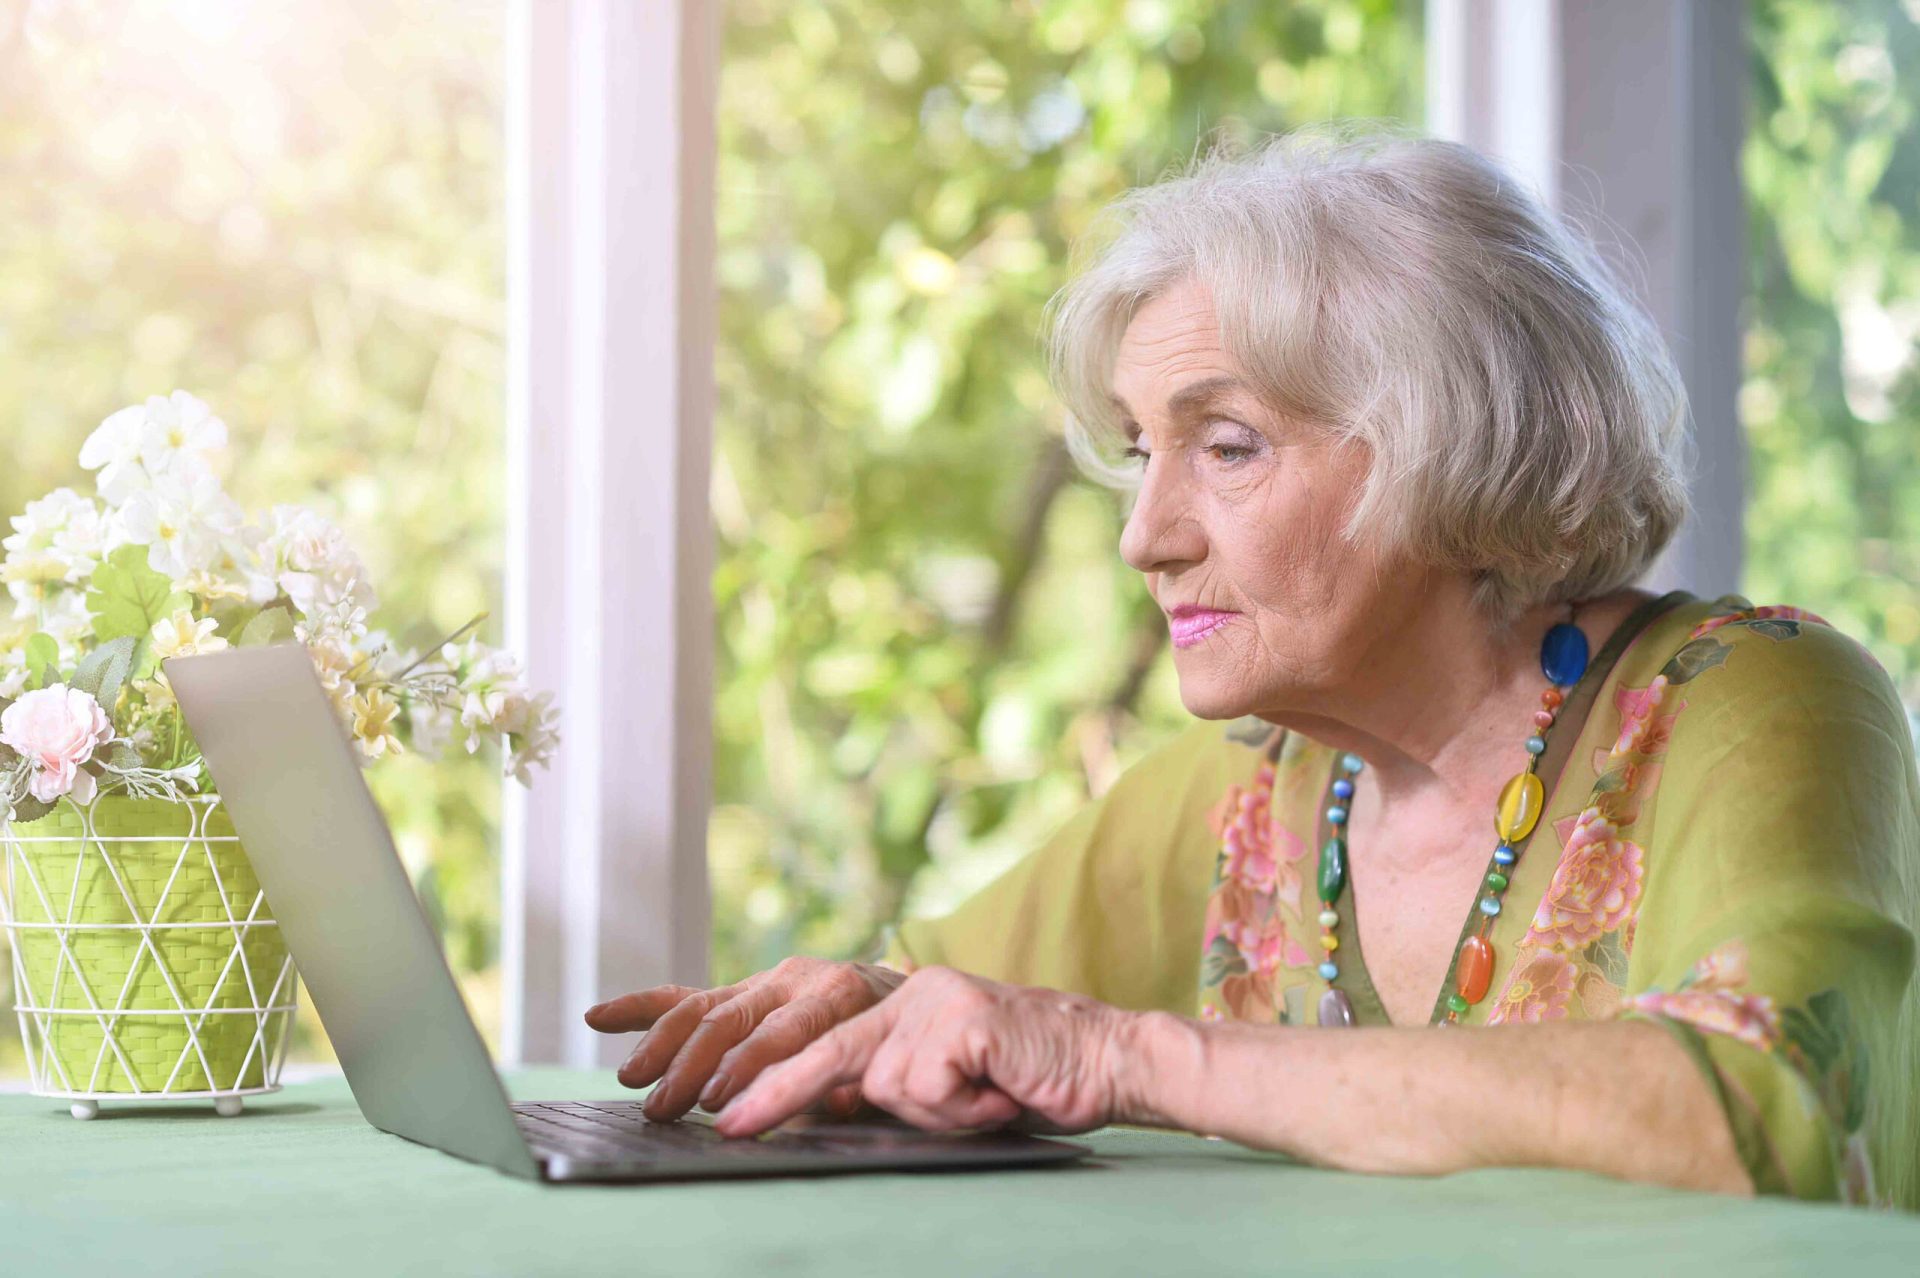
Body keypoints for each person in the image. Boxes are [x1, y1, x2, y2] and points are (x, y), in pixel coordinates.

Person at [584, 124, 1920, 1207]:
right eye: (1139, 450)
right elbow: (938, 994)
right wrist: (861, 1015)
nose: (1142, 536)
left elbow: (1773, 1108)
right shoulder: (1258, 794)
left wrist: (1130, 1055)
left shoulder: (1760, 704)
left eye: (1225, 447)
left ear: (1452, 442)